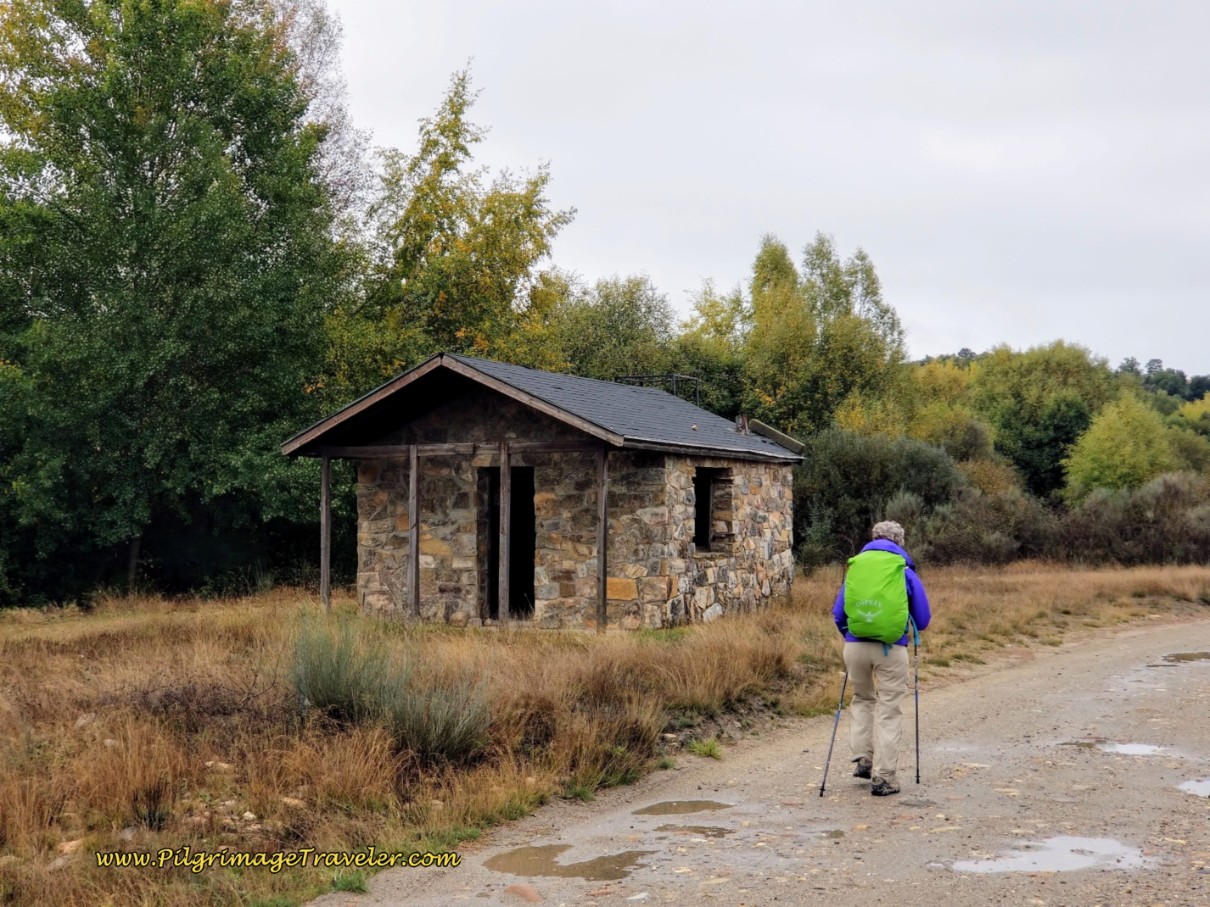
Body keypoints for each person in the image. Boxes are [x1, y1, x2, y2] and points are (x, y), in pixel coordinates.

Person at [832, 520, 931, 796]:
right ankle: (884, 777)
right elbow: (923, 619)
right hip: (891, 648)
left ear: (873, 539)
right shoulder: (903, 571)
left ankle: (863, 759)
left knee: (862, 699)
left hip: (855, 646)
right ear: (900, 542)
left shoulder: (856, 569)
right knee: (889, 709)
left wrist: (850, 636)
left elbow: (839, 614)